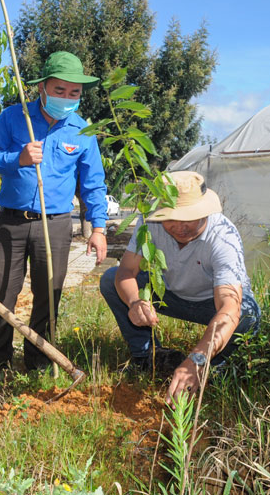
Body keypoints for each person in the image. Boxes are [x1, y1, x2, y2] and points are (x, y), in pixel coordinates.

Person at [0, 51, 109, 375]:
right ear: (42, 88)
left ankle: (38, 360)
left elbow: (93, 184)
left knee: (48, 295)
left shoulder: (82, 131)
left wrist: (98, 228)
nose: (66, 98)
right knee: (1, 292)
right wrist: (17, 159)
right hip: (11, 222)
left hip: (54, 226)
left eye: (74, 93)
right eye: (59, 90)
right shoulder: (13, 118)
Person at [98, 171, 261, 404]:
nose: (179, 227)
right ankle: (147, 355)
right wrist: (135, 302)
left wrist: (197, 359)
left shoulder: (223, 236)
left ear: (204, 211)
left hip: (212, 304)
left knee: (247, 315)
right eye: (171, 218)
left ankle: (210, 367)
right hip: (170, 295)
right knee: (110, 280)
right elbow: (125, 272)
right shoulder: (150, 223)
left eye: (189, 218)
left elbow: (229, 307)